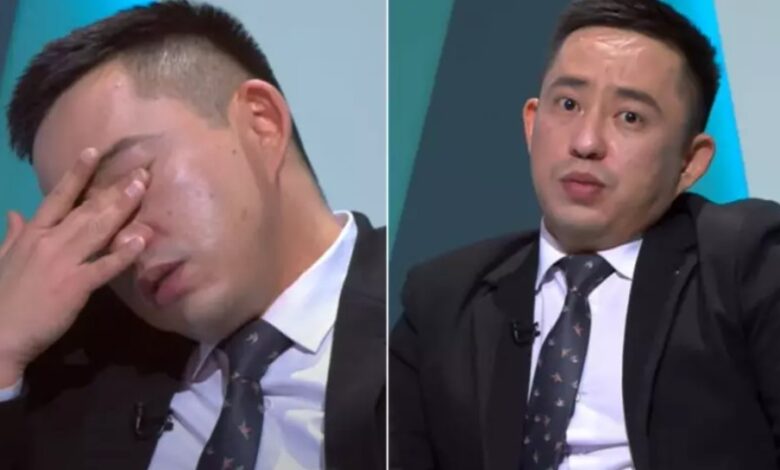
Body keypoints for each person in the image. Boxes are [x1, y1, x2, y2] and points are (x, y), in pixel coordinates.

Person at [390, 0, 780, 469]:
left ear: (689, 162)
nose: (586, 142)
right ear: (532, 124)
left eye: (630, 117)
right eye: (569, 105)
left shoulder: (746, 263)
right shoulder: (444, 299)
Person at [0, 1, 385, 469]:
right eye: (89, 223)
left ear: (261, 123)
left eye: (131, 182)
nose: (123, 242)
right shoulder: (73, 374)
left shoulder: (434, 319)